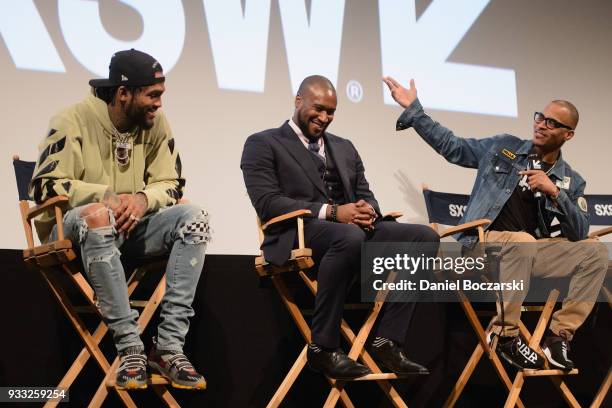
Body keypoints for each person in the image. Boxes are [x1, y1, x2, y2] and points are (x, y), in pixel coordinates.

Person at [383, 76, 608, 371]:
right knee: (523, 243)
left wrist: (555, 193)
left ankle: (557, 338)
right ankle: (505, 335)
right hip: (481, 247)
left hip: (525, 255)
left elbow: (578, 233)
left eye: (552, 123)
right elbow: (455, 147)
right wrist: (415, 111)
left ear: (568, 135)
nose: (541, 125)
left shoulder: (571, 180)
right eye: (540, 117)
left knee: (595, 252)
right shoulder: (504, 148)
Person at [29, 49, 210, 390]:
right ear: (123, 93)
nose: (159, 104)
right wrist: (104, 195)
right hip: (69, 228)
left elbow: (171, 183)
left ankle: (169, 348)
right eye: (152, 95)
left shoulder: (155, 124)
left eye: (161, 96)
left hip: (128, 228)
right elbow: (43, 187)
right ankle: (130, 347)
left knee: (195, 218)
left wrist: (142, 199)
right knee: (99, 214)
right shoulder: (72, 120)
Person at [241, 75, 440, 379]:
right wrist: (334, 212)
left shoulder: (345, 147)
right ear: (298, 101)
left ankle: (388, 341)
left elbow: (365, 193)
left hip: (351, 231)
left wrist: (368, 210)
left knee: (423, 237)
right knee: (348, 235)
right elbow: (268, 203)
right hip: (298, 232)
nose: (324, 117)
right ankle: (322, 346)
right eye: (318, 109)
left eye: (331, 112)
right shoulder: (263, 143)